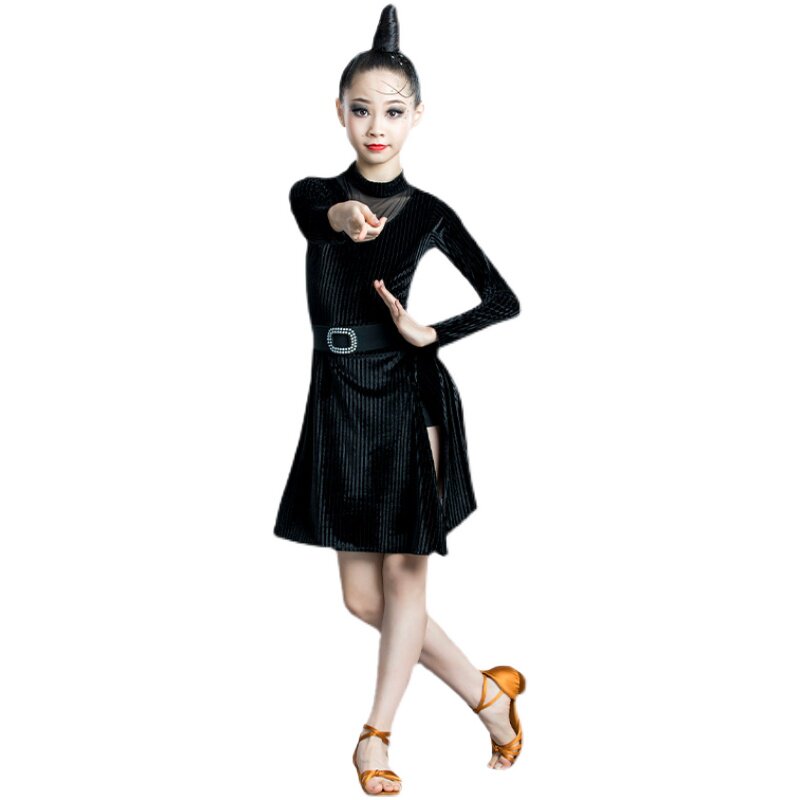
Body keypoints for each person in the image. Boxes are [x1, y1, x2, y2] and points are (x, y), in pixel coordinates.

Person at [273, 5, 525, 794]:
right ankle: (487, 695)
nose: (376, 127)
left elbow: (503, 298)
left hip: (410, 398)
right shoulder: (314, 194)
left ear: (417, 116)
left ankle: (374, 737)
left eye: (392, 111)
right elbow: (321, 215)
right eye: (361, 110)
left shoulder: (430, 213)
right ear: (339, 112)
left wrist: (432, 331)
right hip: (338, 398)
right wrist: (347, 216)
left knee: (406, 579)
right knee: (361, 599)